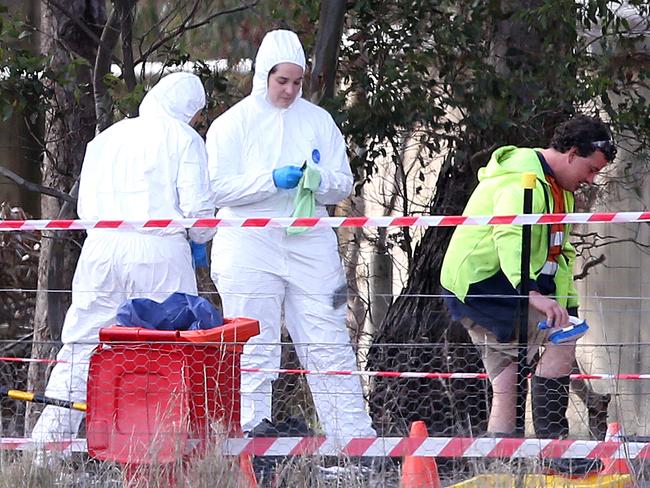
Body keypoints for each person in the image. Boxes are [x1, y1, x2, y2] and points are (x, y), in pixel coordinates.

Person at [205, 29, 376, 438]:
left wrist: (316, 181)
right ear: (263, 75)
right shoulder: (233, 124)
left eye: (297, 82)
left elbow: (342, 183)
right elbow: (216, 187)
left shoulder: (318, 121)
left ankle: (353, 441)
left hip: (309, 241)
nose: (290, 90)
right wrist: (270, 181)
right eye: (282, 80)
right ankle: (248, 435)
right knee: (252, 340)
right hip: (249, 242)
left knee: (328, 338)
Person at [31, 72, 215, 446]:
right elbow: (199, 214)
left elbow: (84, 206)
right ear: (188, 110)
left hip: (101, 249)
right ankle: (155, 448)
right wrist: (200, 239)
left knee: (82, 347)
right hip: (159, 252)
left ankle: (47, 448)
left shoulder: (106, 138)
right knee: (168, 351)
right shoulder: (183, 139)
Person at [441, 115, 616, 438]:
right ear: (572, 153)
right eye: (591, 169)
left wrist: (567, 304)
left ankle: (503, 463)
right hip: (484, 285)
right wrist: (530, 292)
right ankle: (554, 449)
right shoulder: (523, 180)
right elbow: (510, 236)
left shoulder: (560, 190)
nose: (591, 179)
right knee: (562, 339)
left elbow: (559, 254)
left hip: (502, 283)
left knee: (507, 378)